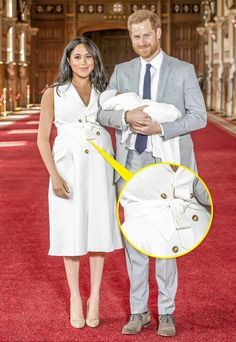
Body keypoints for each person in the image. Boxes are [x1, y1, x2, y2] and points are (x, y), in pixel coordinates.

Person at [98, 10, 207, 336]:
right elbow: (104, 113)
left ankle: (168, 312)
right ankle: (139, 311)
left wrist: (161, 125)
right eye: (136, 36)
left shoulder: (182, 70)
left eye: (147, 35)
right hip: (131, 164)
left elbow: (198, 117)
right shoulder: (122, 71)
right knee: (135, 241)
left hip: (169, 167)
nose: (141, 42)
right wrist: (125, 116)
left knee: (165, 240)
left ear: (158, 33)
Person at [37, 37, 123, 329]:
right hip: (68, 166)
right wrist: (54, 174)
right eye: (77, 57)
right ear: (68, 60)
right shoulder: (53, 92)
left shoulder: (106, 92)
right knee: (71, 229)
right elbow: (42, 138)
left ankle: (94, 297)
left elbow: (121, 120)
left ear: (95, 60)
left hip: (100, 165)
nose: (83, 62)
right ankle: (75, 296)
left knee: (99, 229)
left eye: (88, 56)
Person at [99, 89, 181, 163]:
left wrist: (161, 129)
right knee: (154, 111)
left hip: (159, 152)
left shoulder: (184, 73)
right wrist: (127, 116)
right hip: (130, 154)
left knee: (160, 110)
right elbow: (102, 115)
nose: (121, 93)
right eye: (117, 94)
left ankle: (171, 113)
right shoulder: (119, 75)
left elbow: (193, 116)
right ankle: (171, 113)